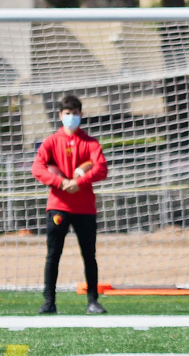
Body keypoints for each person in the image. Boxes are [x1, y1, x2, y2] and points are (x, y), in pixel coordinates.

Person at [32, 95, 108, 315]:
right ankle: (49, 302)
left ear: (81, 115)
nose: (71, 117)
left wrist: (79, 181)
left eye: (75, 113)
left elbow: (101, 168)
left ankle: (93, 301)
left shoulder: (91, 143)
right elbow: (37, 169)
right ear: (60, 116)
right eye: (67, 114)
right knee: (53, 255)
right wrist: (62, 182)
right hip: (58, 207)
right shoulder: (51, 142)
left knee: (89, 255)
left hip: (85, 208)